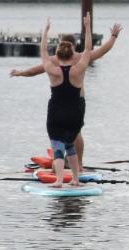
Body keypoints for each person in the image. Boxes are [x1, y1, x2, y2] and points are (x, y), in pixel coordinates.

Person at [11, 21, 121, 165]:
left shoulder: (54, 60)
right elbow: (103, 50)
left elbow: (34, 70)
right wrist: (113, 36)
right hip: (77, 101)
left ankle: (61, 163)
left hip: (61, 102)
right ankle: (78, 164)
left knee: (58, 134)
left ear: (59, 46)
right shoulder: (82, 58)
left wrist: (19, 73)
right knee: (76, 133)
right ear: (74, 46)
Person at [40, 15, 95, 187]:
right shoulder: (78, 69)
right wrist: (87, 28)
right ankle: (76, 179)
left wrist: (45, 32)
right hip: (74, 114)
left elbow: (42, 52)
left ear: (57, 54)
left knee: (57, 146)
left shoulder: (51, 70)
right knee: (70, 145)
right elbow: (87, 49)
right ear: (72, 54)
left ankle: (58, 180)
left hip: (56, 113)